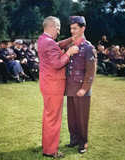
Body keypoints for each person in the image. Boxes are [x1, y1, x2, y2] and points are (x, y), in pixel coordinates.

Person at [37, 16, 79, 158]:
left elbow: (57, 45)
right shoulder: (49, 43)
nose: (59, 31)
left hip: (47, 83)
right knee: (53, 119)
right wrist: (69, 53)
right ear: (51, 26)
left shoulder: (43, 39)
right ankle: (50, 150)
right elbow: (57, 64)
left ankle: (46, 144)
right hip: (53, 85)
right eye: (58, 28)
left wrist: (70, 40)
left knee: (48, 116)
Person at [65, 16, 97, 154]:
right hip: (70, 87)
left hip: (82, 88)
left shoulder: (88, 48)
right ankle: (74, 139)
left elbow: (91, 71)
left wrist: (84, 89)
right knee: (72, 117)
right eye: (71, 28)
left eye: (75, 28)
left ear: (83, 28)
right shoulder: (69, 46)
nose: (72, 31)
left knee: (82, 118)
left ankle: (83, 142)